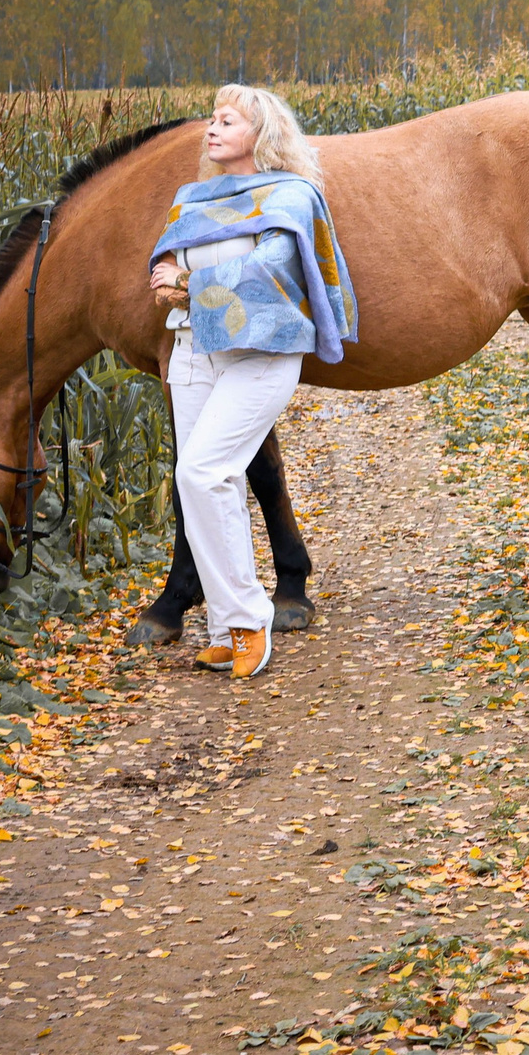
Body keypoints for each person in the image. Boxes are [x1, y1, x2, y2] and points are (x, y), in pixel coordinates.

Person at [146, 86, 358, 680]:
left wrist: (187, 276)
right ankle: (221, 627)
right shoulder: (194, 197)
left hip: (261, 352)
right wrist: (173, 278)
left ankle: (248, 619)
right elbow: (161, 263)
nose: (210, 129)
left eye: (226, 120)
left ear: (260, 134)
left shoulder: (291, 196)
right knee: (210, 488)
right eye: (211, 119)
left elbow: (274, 271)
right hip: (192, 349)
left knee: (201, 471)